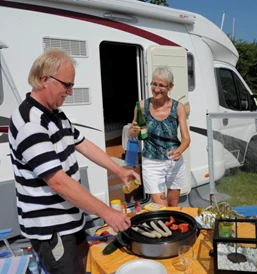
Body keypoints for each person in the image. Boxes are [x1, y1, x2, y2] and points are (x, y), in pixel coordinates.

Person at [8, 49, 140, 274]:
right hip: (52, 229)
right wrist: (107, 213)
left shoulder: (54, 113)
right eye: (66, 85)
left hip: (70, 218)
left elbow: (82, 143)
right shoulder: (31, 123)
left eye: (72, 85)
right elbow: (58, 182)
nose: (70, 92)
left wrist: (118, 170)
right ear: (44, 80)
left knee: (86, 266)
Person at [128, 66, 191, 207]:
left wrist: (180, 150)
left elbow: (186, 138)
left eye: (161, 85)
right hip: (152, 161)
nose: (156, 89)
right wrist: (133, 130)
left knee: (173, 205)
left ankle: (172, 229)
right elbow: (132, 133)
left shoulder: (178, 107)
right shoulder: (142, 106)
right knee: (162, 207)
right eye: (154, 84)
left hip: (173, 161)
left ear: (170, 87)